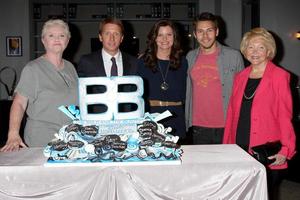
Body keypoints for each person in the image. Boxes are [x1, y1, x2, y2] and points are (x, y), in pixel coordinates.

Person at [223, 27, 296, 199]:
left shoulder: (279, 76)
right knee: (241, 193)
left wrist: (286, 149)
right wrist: (226, 145)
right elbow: (232, 114)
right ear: (244, 49)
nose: (254, 52)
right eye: (250, 47)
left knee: (263, 194)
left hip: (265, 148)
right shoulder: (240, 76)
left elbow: (285, 116)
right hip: (239, 145)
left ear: (269, 50)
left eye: (260, 47)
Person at [0, 19, 78, 151]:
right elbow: (19, 103)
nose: (57, 39)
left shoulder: (70, 67)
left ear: (68, 41)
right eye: (51, 35)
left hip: (71, 138)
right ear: (43, 40)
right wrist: (13, 133)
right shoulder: (33, 69)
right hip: (43, 140)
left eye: (62, 35)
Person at [185, 12, 244, 144]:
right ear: (195, 34)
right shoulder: (190, 57)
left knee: (228, 165)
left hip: (226, 125)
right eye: (200, 31)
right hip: (198, 126)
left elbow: (242, 91)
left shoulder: (234, 56)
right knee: (201, 164)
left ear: (217, 32)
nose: (205, 36)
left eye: (209, 30)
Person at [137, 19, 188, 140]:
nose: (164, 39)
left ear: (174, 37)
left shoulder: (184, 62)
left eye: (169, 35)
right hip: (150, 116)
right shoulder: (142, 62)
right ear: (154, 38)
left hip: (176, 117)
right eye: (160, 35)